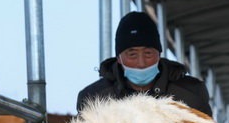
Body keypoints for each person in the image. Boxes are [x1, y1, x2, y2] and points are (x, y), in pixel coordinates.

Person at [77, 11, 212, 115]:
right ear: (119, 58)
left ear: (159, 54)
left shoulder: (192, 94)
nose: (141, 63)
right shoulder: (94, 98)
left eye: (148, 53)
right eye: (132, 54)